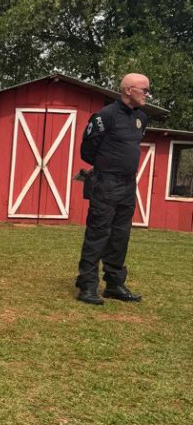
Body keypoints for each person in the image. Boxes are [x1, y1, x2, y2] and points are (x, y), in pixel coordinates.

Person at [75, 73, 150, 305]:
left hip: (128, 184)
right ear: (128, 90)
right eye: (144, 90)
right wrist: (106, 169)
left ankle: (114, 284)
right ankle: (87, 286)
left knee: (120, 235)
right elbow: (87, 152)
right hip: (106, 183)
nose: (148, 94)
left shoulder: (141, 118)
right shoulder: (105, 116)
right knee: (99, 233)